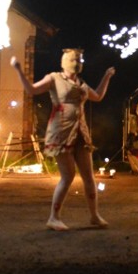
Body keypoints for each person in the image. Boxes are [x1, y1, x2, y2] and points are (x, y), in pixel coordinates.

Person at [10, 49, 116, 230]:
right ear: (65, 61)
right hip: (61, 133)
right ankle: (54, 217)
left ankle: (94, 215)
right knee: (68, 176)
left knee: (89, 177)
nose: (77, 62)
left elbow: (97, 96)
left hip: (80, 133)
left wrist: (107, 76)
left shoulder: (81, 83)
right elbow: (32, 90)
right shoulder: (54, 78)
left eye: (79, 59)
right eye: (74, 59)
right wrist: (19, 70)